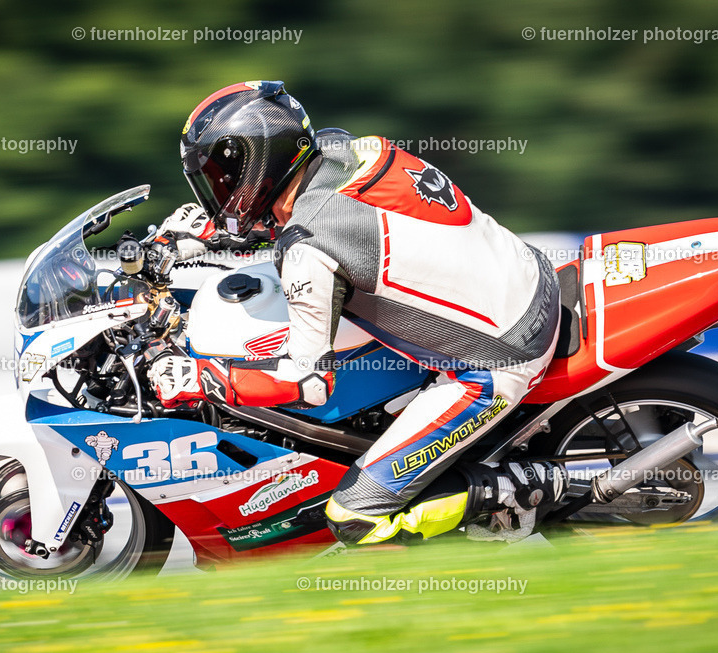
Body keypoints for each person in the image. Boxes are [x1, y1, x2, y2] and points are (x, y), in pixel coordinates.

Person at [150, 80, 567, 545]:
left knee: (353, 516)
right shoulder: (339, 148)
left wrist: (203, 379)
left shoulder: (307, 249)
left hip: (499, 356)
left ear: (262, 164)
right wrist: (210, 232)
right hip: (527, 274)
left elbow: (306, 384)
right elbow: (325, 218)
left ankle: (516, 487)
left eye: (226, 178)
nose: (221, 191)